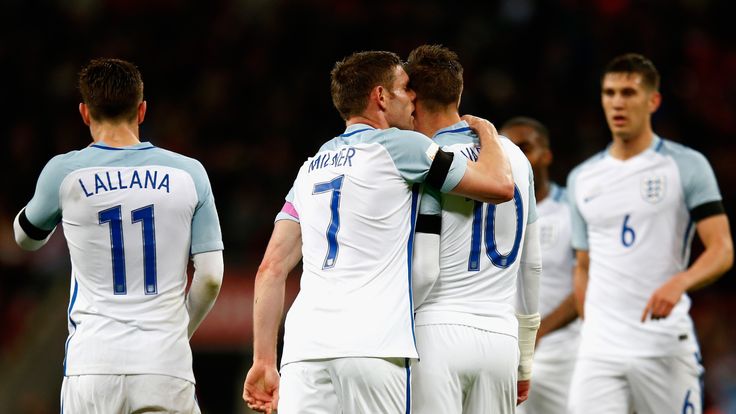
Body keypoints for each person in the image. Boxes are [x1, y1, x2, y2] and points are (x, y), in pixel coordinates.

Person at [242, 50, 515, 414]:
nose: (412, 98)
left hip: (304, 350)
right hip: (374, 345)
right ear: (381, 97)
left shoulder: (309, 170)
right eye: (404, 88)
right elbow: (499, 186)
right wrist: (489, 134)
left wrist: (263, 360)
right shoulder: (404, 148)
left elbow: (270, 269)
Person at [13, 58, 224, 413]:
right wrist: (174, 336)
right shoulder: (191, 174)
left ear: (84, 113)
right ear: (142, 110)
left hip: (93, 366)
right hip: (164, 366)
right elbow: (211, 279)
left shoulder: (64, 172)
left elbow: (26, 239)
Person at [567, 53, 733, 414]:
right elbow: (583, 264)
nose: (617, 103)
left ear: (653, 100)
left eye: (628, 92)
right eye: (609, 93)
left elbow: (722, 248)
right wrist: (589, 321)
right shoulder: (582, 178)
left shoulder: (686, 165)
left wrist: (680, 282)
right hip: (600, 351)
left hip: (662, 346)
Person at [406, 44, 541, 414]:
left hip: (436, 330)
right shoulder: (515, 157)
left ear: (412, 98)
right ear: (458, 92)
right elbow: (532, 265)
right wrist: (524, 359)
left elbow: (425, 267)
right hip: (501, 339)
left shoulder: (424, 157)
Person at [502, 117, 579, 414]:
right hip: (505, 352)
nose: (516, 157)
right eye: (507, 148)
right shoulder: (488, 211)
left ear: (546, 156)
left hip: (562, 354)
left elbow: (589, 282)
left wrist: (537, 333)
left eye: (525, 148)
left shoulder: (572, 210)